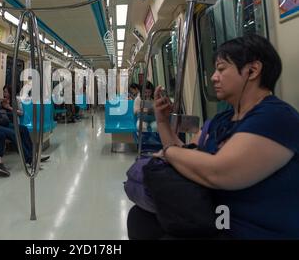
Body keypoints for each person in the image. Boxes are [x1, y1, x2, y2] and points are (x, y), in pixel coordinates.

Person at [128, 34, 299, 239]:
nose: (213, 77)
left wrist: (167, 152)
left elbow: (219, 172)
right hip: (213, 218)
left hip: (248, 229)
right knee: (140, 218)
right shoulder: (223, 119)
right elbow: (189, 155)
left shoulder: (275, 117)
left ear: (252, 70)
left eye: (221, 69)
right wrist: (163, 122)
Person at [0, 77, 49, 166]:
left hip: (1, 122)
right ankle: (29, 160)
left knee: (23, 129)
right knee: (14, 134)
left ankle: (34, 155)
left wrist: (1, 102)